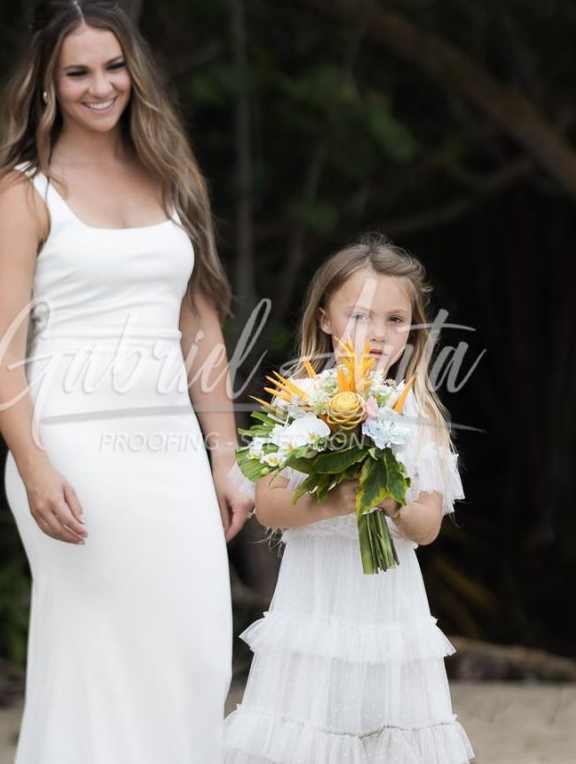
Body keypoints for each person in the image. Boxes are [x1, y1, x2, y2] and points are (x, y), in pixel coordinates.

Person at [0, 0, 253, 764]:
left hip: (170, 449)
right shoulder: (21, 194)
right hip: (73, 446)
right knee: (100, 661)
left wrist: (225, 459)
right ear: (47, 83)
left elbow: (201, 328)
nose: (100, 87)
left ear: (135, 70)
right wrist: (34, 466)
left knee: (197, 647)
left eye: (113, 66)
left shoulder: (171, 176)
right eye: (78, 72)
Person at [222, 233, 476, 762]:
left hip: (388, 603)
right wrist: (338, 499)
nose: (378, 334)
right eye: (359, 316)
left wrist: (388, 500)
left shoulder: (420, 416)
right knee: (309, 726)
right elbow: (269, 506)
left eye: (395, 320)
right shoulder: (297, 403)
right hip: (315, 597)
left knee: (388, 730)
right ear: (325, 320)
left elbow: (427, 526)